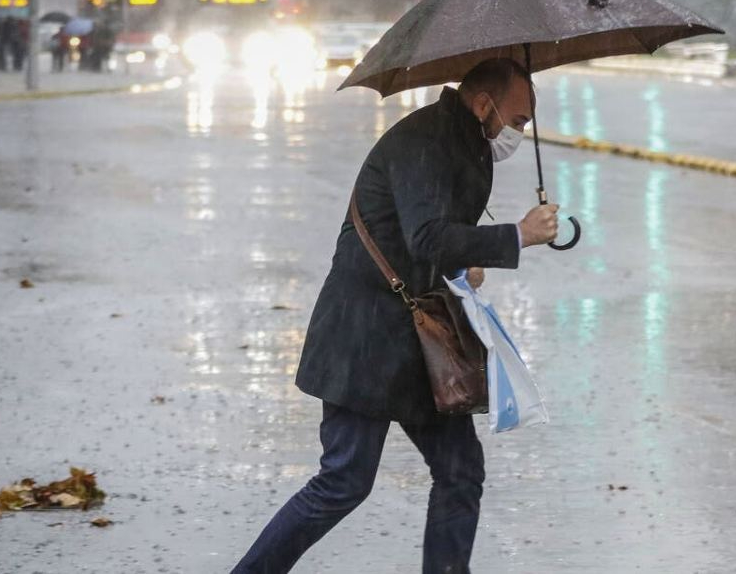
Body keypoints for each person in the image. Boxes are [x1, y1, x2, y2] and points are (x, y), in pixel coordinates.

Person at [232, 58, 559, 574]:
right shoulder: (425, 141)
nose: (520, 132)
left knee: (460, 470)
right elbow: (426, 235)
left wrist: (464, 261)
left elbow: (430, 235)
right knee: (344, 480)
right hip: (365, 338)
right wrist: (516, 234)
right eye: (518, 120)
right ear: (484, 104)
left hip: (419, 342)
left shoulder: (465, 142)